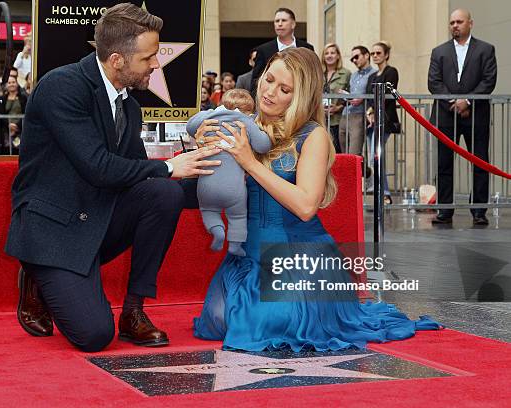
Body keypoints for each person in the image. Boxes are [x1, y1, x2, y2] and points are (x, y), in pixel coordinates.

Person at [191, 47, 441, 352]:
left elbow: (307, 206)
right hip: (247, 259)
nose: (269, 92)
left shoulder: (314, 136)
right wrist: (205, 143)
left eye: (284, 89)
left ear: (301, 97)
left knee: (268, 323)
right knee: (217, 321)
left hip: (296, 258)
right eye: (268, 80)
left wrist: (250, 164)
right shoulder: (245, 124)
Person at [5, 3, 221, 353]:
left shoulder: (129, 106)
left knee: (162, 195)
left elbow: (139, 179)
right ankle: (36, 271)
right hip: (54, 227)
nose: (156, 64)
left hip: (95, 218)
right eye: (149, 57)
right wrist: (168, 166)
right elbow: (98, 166)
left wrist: (225, 176)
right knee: (94, 336)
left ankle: (134, 311)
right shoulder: (62, 86)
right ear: (117, 59)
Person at [428, 9, 497, 226]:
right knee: (444, 163)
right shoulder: (438, 51)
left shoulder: (486, 49)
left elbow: (489, 80)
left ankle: (479, 211)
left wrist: (467, 101)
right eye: (452, 22)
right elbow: (434, 82)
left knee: (479, 162)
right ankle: (445, 210)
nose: (455, 25)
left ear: (470, 23)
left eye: (459, 22)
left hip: (476, 116)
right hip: (445, 116)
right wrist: (455, 103)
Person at [186, 89, 271, 256]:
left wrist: (208, 113)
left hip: (206, 185)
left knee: (208, 210)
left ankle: (217, 230)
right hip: (234, 188)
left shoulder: (209, 117)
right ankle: (235, 245)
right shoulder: (246, 122)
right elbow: (263, 145)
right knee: (238, 216)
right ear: (249, 112)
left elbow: (190, 126)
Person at [365, 41, 400, 204]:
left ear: (386, 54)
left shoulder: (391, 71)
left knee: (375, 156)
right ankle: (382, 192)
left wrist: (373, 111)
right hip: (371, 121)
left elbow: (386, 93)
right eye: (373, 54)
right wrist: (369, 112)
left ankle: (384, 192)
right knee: (375, 157)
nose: (375, 56)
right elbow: (367, 95)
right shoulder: (372, 75)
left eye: (378, 53)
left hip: (385, 120)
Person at [250, 7, 314, 96]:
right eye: (277, 21)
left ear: (293, 24)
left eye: (283, 20)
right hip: (273, 101)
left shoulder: (307, 48)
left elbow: (312, 78)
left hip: (301, 100)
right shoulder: (263, 50)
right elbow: (255, 81)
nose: (279, 24)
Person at [338, 46, 376, 155]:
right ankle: (364, 171)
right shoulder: (353, 75)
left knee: (354, 153)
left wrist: (362, 98)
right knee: (344, 153)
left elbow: (372, 95)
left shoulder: (374, 73)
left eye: (356, 57)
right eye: (352, 59)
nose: (354, 60)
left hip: (359, 115)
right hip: (345, 114)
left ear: (366, 56)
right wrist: (345, 95)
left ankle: (363, 172)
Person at [321, 43, 351, 153]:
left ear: (338, 56)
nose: (329, 56)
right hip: (320, 119)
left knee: (337, 151)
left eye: (332, 53)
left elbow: (349, 94)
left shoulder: (346, 73)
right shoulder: (318, 73)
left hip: (337, 120)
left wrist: (338, 107)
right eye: (326, 53)